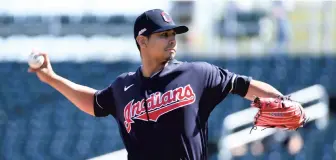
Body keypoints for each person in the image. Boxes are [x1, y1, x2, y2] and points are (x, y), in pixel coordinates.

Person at [28, 9, 284, 160]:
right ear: (142, 41)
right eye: (164, 35)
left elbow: (244, 85)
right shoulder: (122, 87)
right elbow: (94, 102)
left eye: (173, 34)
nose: (172, 39)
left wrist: (283, 101)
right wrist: (51, 78)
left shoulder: (197, 73)